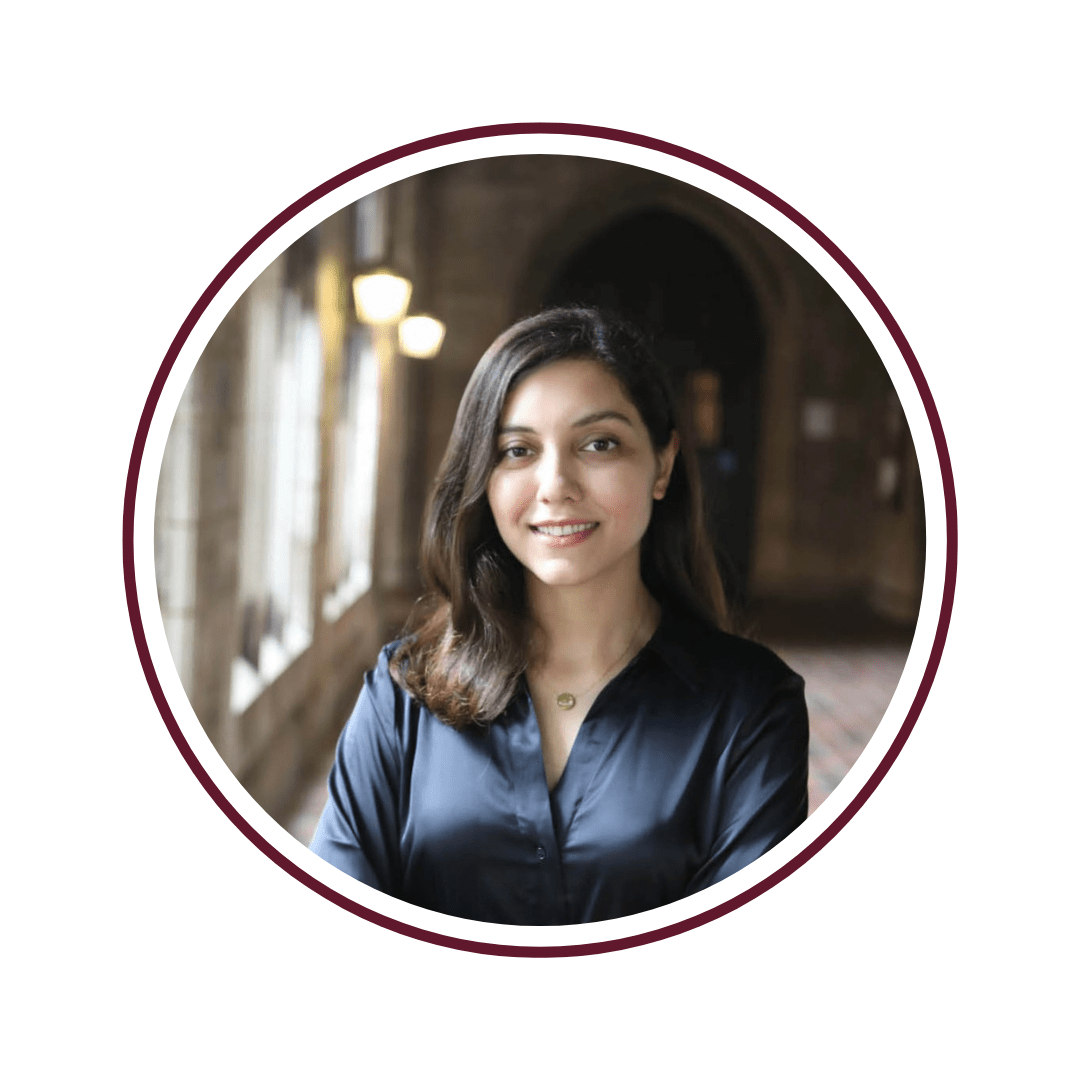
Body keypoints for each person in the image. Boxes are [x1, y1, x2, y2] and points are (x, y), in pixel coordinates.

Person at [310, 306, 808, 925]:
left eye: (599, 444)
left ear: (662, 464)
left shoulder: (751, 707)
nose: (556, 484)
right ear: (483, 480)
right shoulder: (401, 695)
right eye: (517, 450)